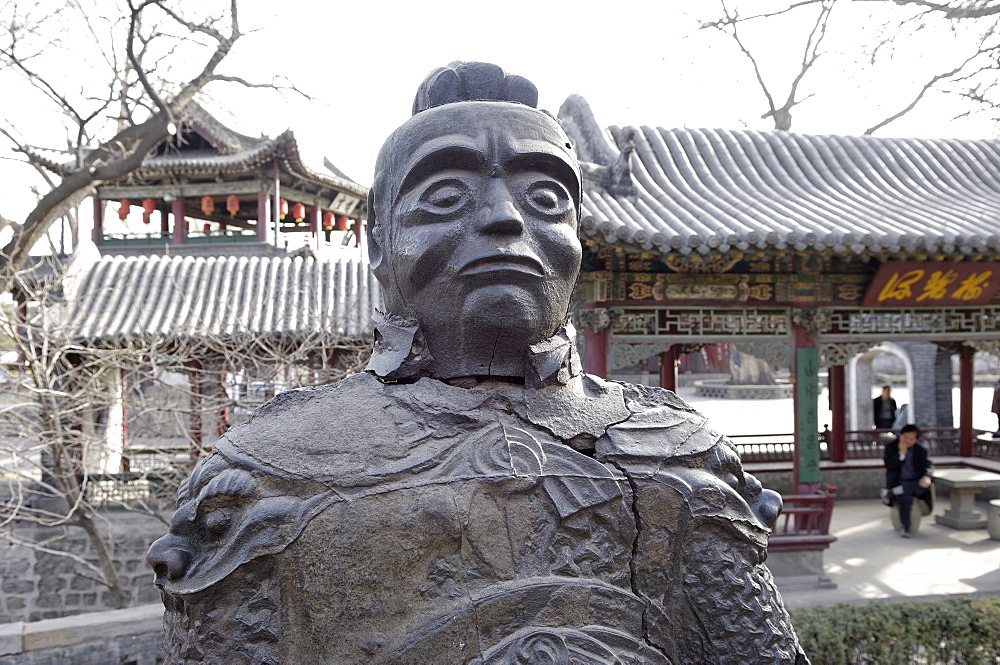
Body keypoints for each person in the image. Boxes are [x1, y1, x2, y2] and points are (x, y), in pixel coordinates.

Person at [149, 62, 809, 664]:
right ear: (379, 240)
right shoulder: (268, 471)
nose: (503, 218)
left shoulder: (678, 454)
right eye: (444, 196)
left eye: (546, 199)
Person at [883, 424, 933, 537]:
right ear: (900, 436)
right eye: (905, 437)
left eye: (910, 439)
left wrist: (927, 476)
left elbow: (928, 465)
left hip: (916, 482)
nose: (907, 441)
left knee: (913, 488)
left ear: (915, 440)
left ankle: (896, 491)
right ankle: (906, 527)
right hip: (899, 481)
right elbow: (890, 466)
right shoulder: (891, 447)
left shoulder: (920, 450)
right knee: (905, 498)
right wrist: (901, 454)